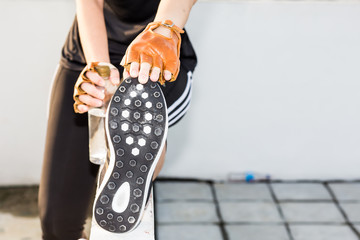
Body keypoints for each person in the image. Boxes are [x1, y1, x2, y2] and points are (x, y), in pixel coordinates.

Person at [38, 0, 197, 239]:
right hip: (89, 48)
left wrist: (163, 30)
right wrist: (100, 70)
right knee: (57, 226)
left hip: (155, 57)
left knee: (145, 113)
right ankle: (123, 154)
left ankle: (131, 162)